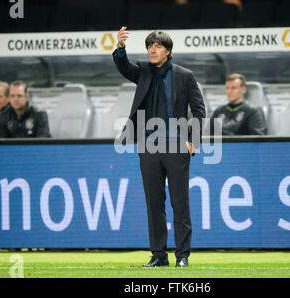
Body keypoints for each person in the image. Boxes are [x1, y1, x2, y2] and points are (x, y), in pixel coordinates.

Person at [113, 26, 206, 267]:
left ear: (168, 51)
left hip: (176, 145)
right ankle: (159, 256)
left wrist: (192, 141)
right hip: (148, 146)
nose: (152, 50)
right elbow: (124, 67)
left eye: (158, 46)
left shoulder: (185, 75)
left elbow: (199, 110)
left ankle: (182, 256)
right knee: (154, 203)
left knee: (179, 203)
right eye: (149, 46)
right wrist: (121, 47)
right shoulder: (143, 72)